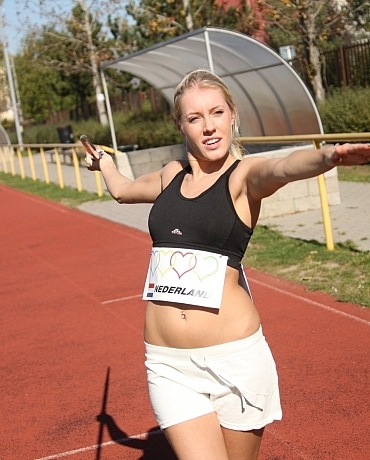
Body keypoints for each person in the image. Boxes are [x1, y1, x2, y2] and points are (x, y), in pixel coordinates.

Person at [84, 69, 370, 460]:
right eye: (195, 117)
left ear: (232, 115)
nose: (209, 127)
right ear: (180, 124)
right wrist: (103, 163)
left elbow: (283, 166)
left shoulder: (243, 178)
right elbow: (121, 191)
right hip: (168, 363)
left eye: (217, 113)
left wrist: (328, 156)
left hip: (234, 359)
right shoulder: (171, 176)